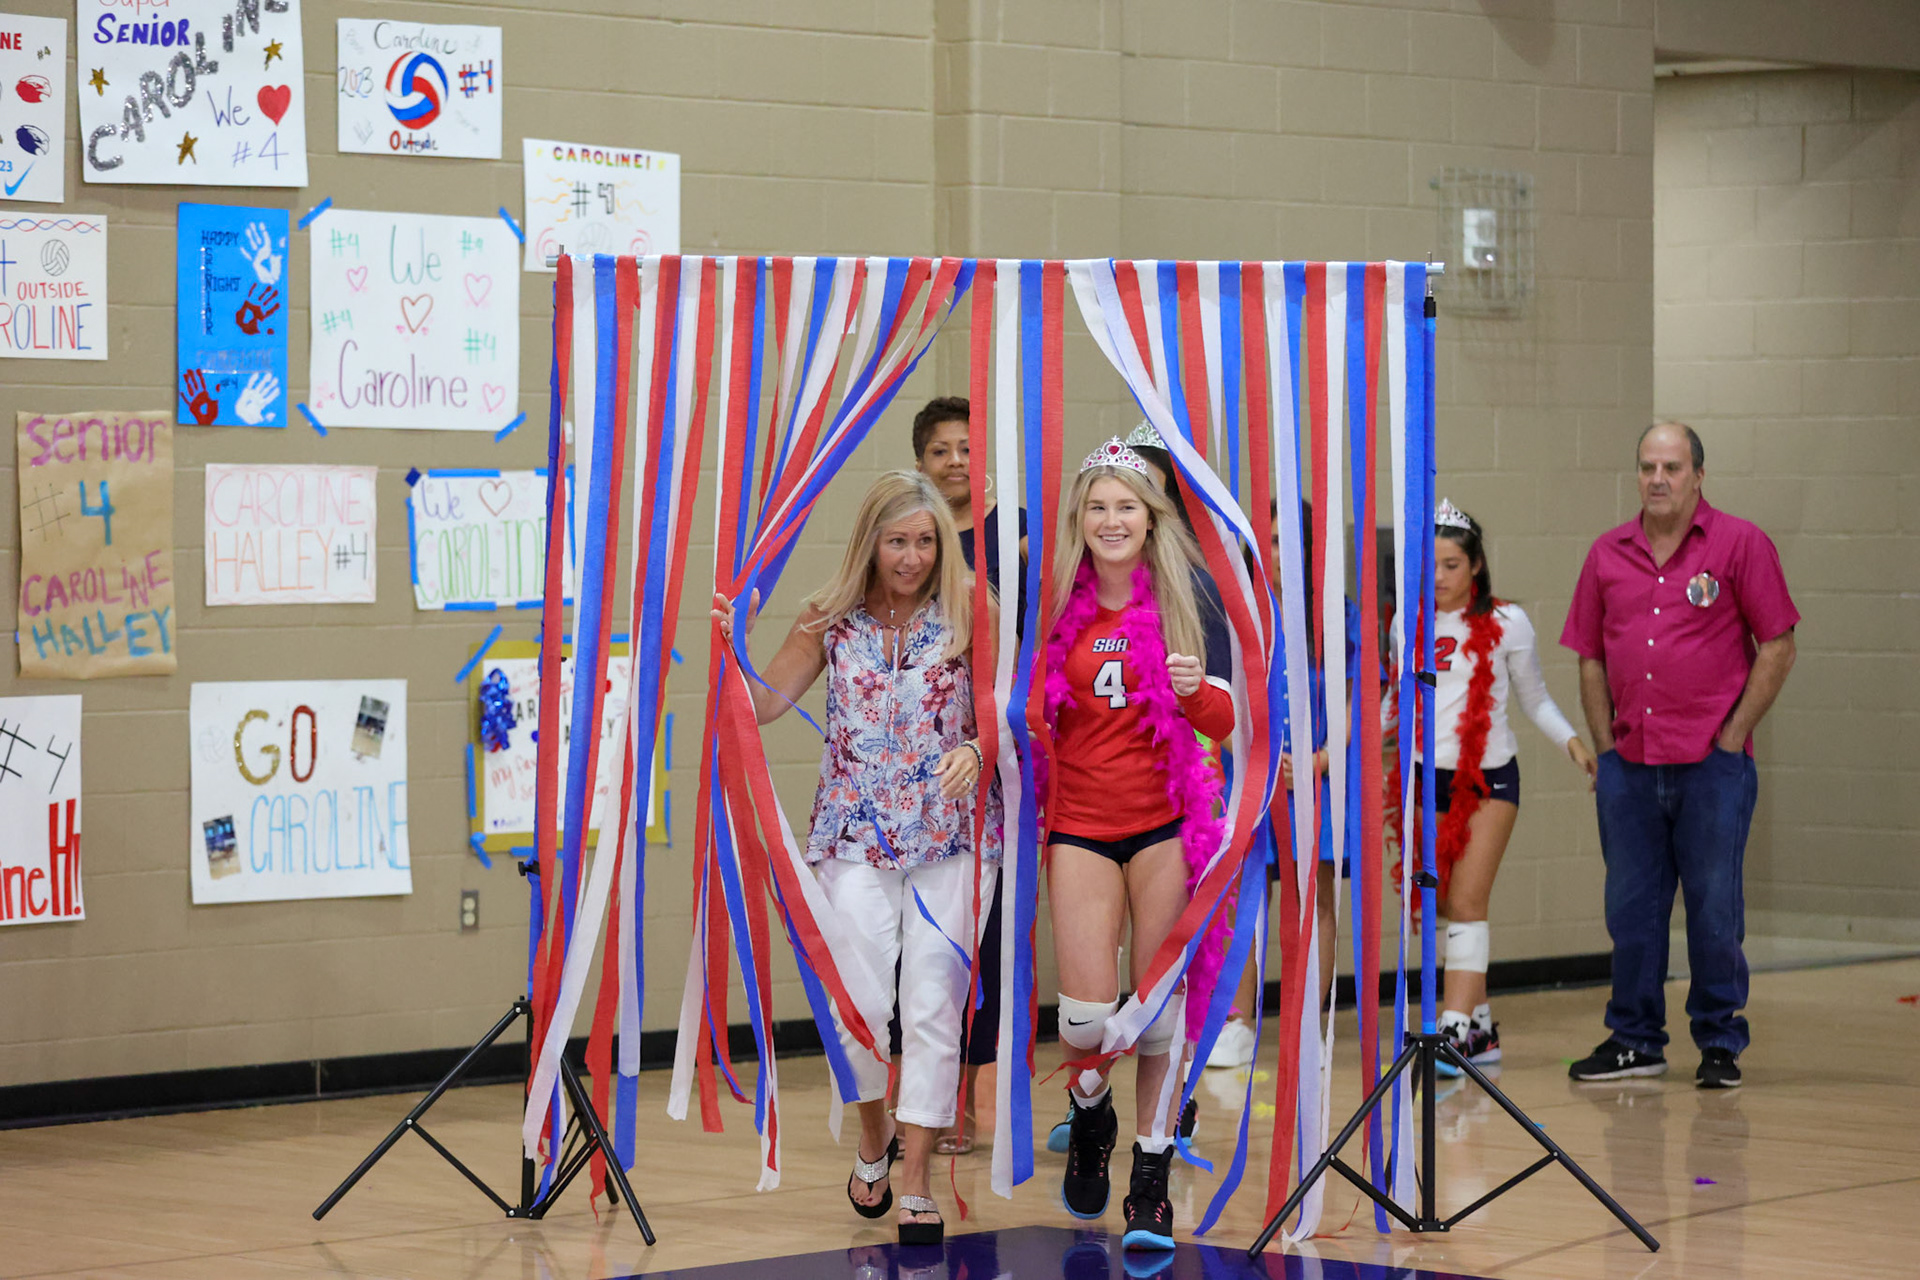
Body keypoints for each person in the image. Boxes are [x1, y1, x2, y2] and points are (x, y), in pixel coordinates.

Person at [712, 470, 1002, 1245]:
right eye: (897, 541)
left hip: (955, 838)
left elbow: (1014, 711)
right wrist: (726, 646)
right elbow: (765, 703)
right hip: (853, 834)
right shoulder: (828, 617)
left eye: (925, 540)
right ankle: (871, 1136)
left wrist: (977, 745)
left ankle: (913, 1180)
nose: (911, 557)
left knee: (936, 1002)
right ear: (869, 542)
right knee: (860, 1007)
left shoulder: (975, 613)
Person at [1562, 422, 1797, 1089]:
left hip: (1711, 768)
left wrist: (1731, 735)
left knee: (1714, 910)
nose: (1658, 479)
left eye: (1672, 467)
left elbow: (1778, 644)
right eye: (1647, 467)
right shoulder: (1607, 553)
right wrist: (1606, 749)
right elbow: (1589, 656)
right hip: (1629, 767)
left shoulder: (1740, 544)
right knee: (1631, 911)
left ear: (1699, 475)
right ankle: (1635, 1038)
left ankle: (1719, 1042)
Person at [1043, 436, 1234, 1252]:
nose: (1113, 520)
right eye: (1099, 506)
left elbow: (1232, 721)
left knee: (1159, 1015)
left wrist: (1198, 698)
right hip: (1080, 824)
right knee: (1086, 1019)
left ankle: (1150, 1176)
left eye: (1128, 506)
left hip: (1163, 823)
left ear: (1152, 518)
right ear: (1079, 518)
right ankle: (1092, 1111)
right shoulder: (1051, 599)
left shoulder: (1192, 598)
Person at [1413, 500, 1596, 1077]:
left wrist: (1571, 741)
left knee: (1468, 900)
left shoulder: (1508, 622)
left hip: (1490, 779)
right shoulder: (1406, 621)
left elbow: (1534, 696)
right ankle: (1483, 1026)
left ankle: (1454, 1030)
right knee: (1445, 905)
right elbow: (1393, 701)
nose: (1439, 577)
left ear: (1476, 567)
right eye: (1432, 565)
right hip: (1424, 778)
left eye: (1451, 565)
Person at [908, 395, 1026, 1157]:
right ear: (920, 461)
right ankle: (919, 1099)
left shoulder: (1011, 537)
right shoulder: (910, 538)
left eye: (966, 448)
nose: (955, 461)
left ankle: (972, 1101)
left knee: (984, 931)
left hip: (996, 747)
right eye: (941, 450)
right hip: (916, 757)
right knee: (919, 937)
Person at [1209, 499, 1361, 1069]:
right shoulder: (1235, 614)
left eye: (1289, 542)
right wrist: (1258, 762)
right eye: (1269, 541)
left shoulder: (1336, 615)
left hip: (1315, 783)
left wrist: (1320, 761)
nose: (1278, 553)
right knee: (1244, 898)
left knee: (1312, 898)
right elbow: (1212, 701)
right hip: (1251, 779)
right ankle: (1239, 1020)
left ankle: (1305, 1020)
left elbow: (1354, 703)